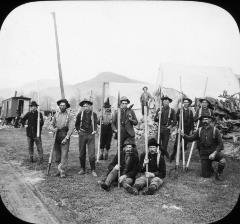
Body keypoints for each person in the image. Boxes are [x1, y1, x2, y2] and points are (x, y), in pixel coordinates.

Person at [181, 115, 226, 181]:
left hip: (214, 152)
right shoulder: (199, 130)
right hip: (204, 153)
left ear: (210, 120)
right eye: (204, 119)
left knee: (222, 161)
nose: (205, 121)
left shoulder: (215, 130)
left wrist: (214, 153)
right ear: (202, 121)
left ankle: (219, 173)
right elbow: (191, 138)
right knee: (205, 176)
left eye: (207, 119)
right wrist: (183, 135)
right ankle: (209, 167)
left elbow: (220, 144)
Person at [49, 99, 75, 178]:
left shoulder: (70, 115)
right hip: (56, 136)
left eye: (63, 105)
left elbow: (71, 128)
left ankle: (62, 171)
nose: (62, 106)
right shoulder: (56, 115)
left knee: (64, 155)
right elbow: (50, 125)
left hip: (65, 135)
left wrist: (66, 138)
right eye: (60, 105)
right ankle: (58, 170)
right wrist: (53, 129)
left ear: (66, 106)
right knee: (57, 155)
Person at [75, 98, 98, 177]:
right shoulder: (80, 114)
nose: (85, 107)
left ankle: (93, 170)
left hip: (91, 135)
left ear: (90, 106)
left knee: (91, 154)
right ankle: (82, 169)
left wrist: (94, 130)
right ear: (82, 107)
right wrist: (79, 131)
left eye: (87, 106)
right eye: (84, 106)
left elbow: (95, 124)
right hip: (82, 135)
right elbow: (77, 124)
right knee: (81, 153)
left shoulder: (93, 114)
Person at [170, 97, 194, 162]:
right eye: (185, 102)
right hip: (180, 129)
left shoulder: (190, 112)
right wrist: (178, 116)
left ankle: (181, 157)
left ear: (188, 104)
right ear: (183, 103)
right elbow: (176, 118)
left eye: (187, 102)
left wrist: (192, 129)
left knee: (184, 144)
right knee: (176, 144)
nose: (186, 103)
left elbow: (192, 121)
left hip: (187, 130)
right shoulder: (180, 110)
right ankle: (173, 156)